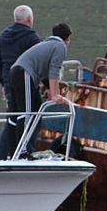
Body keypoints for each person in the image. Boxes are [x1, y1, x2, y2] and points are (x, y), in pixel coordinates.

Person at [9, 22, 71, 156]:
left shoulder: (48, 44)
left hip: (18, 72)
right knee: (27, 113)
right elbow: (54, 71)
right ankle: (22, 152)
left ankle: (24, 149)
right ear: (68, 37)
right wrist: (56, 95)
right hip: (23, 73)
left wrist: (49, 88)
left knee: (36, 109)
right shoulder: (60, 46)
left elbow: (45, 70)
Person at [0, 5, 41, 159]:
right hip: (24, 83)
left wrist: (3, 83)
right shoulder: (32, 38)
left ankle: (1, 156)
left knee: (11, 118)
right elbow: (38, 63)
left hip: (8, 83)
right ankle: (25, 152)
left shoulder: (2, 37)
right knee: (32, 116)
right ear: (29, 19)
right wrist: (45, 84)